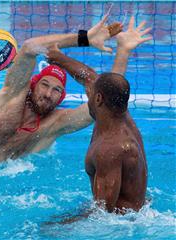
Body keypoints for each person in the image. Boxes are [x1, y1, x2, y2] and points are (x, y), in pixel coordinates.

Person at [0, 14, 123, 169]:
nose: (48, 93)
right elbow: (29, 48)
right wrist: (85, 38)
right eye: (45, 85)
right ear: (34, 84)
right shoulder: (12, 95)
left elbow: (105, 104)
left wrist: (124, 50)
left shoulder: (53, 125)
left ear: (61, 97)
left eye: (56, 90)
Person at [48, 16, 151, 214]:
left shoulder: (109, 149)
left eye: (91, 94)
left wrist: (56, 228)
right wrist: (56, 56)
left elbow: (102, 214)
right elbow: (89, 77)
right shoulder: (119, 112)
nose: (88, 94)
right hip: (137, 210)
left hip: (125, 225)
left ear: (98, 99)